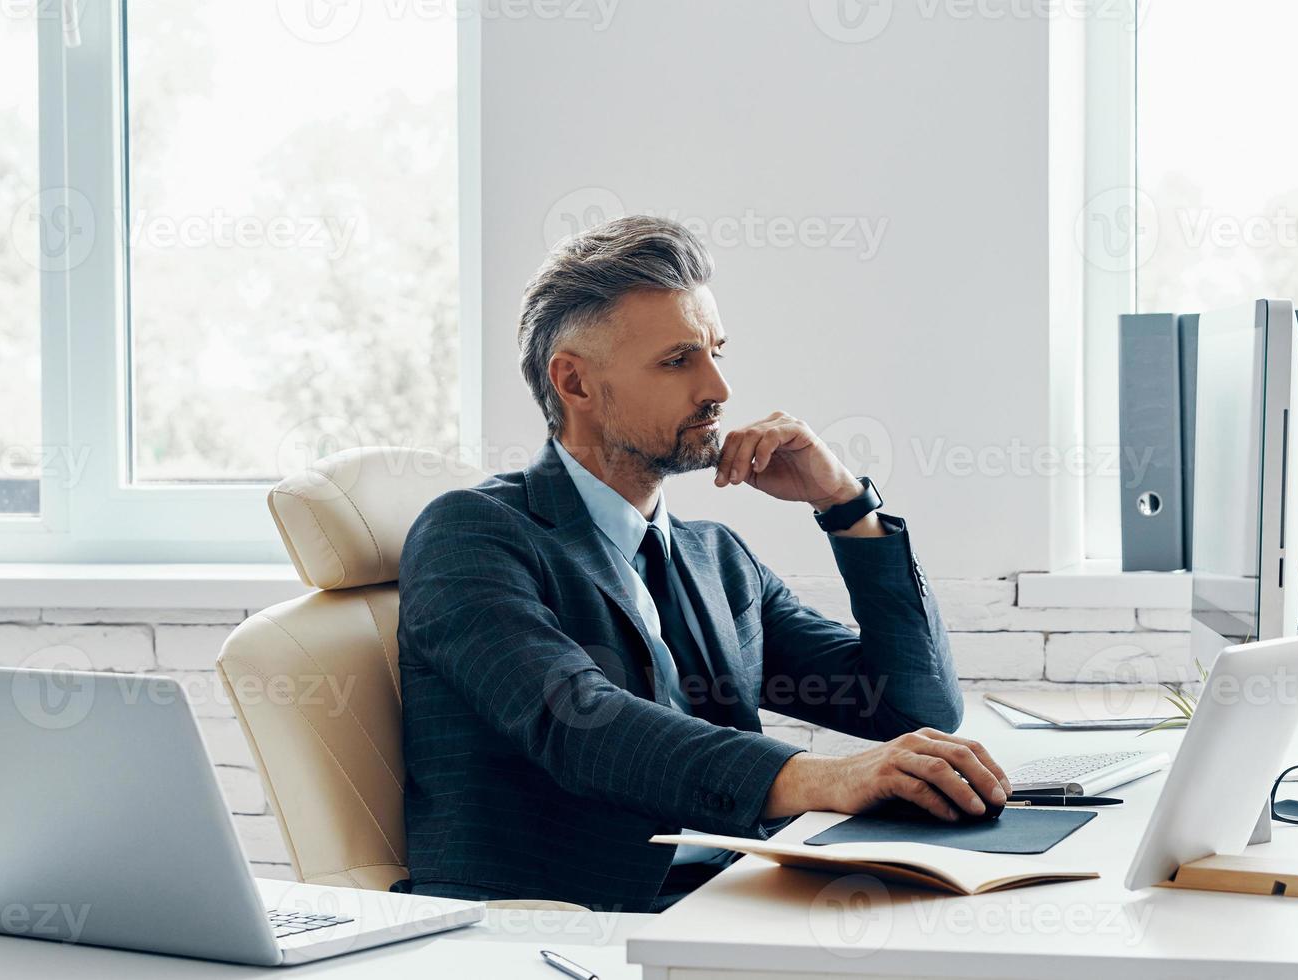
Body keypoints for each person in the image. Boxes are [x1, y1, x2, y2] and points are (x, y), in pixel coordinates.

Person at [394, 215, 1009, 913]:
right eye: (677, 360)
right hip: (568, 919)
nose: (717, 387)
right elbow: (580, 725)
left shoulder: (711, 555)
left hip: (736, 890)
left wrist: (845, 505)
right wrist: (827, 779)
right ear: (574, 383)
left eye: (717, 352)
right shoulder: (472, 535)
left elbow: (910, 704)